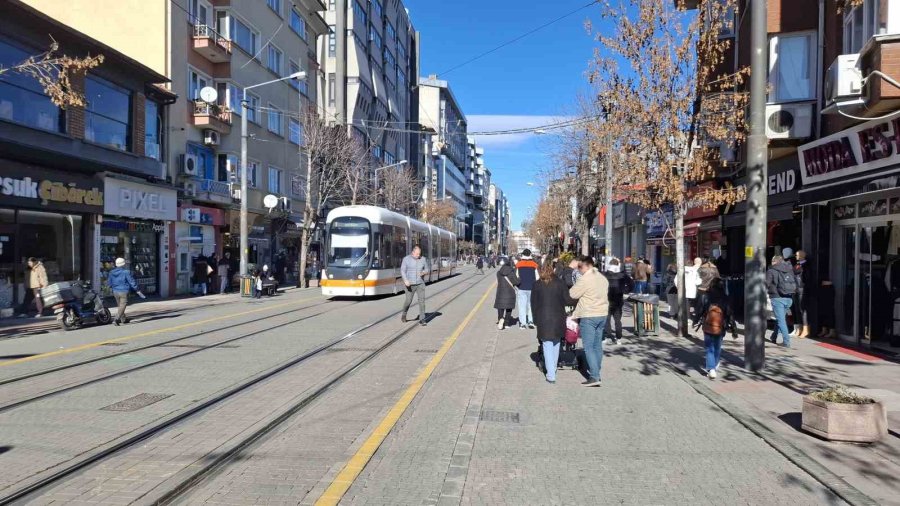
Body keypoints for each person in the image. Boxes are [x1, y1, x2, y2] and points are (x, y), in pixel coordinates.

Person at [531, 260, 577, 383]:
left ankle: (551, 375)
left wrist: (535, 320)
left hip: (543, 319)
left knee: (547, 344)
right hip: (558, 318)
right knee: (556, 343)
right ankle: (553, 368)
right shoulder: (560, 283)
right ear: (553, 270)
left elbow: (533, 304)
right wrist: (578, 300)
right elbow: (568, 300)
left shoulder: (536, 285)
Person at [569, 255, 609, 387]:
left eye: (580, 267)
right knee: (597, 345)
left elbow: (573, 294)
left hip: (589, 315)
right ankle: (596, 370)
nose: (579, 269)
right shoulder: (602, 278)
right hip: (602, 314)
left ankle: (594, 376)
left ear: (587, 266)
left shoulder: (585, 279)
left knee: (588, 347)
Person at [694, 278, 735, 379]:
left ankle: (711, 369)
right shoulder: (725, 298)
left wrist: (695, 320)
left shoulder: (705, 296)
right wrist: (733, 327)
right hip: (721, 326)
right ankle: (714, 365)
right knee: (717, 347)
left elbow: (699, 310)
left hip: (708, 325)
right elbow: (730, 313)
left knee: (709, 348)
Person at [766, 255, 796, 348]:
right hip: (789, 297)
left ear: (774, 262)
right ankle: (773, 336)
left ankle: (786, 342)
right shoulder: (789, 269)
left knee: (781, 320)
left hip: (777, 298)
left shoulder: (771, 271)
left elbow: (766, 283)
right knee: (780, 318)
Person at [603, 258, 633, 344]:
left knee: (607, 319)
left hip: (607, 299)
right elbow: (631, 284)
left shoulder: (604, 274)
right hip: (618, 299)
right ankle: (618, 337)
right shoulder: (622, 275)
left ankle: (606, 336)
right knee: (617, 319)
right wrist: (624, 290)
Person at [108, 258, 145, 325]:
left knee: (120, 305)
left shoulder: (111, 272)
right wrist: (137, 289)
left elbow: (109, 283)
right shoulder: (126, 272)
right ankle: (116, 319)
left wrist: (111, 288)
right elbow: (131, 282)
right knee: (123, 305)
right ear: (123, 264)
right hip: (124, 291)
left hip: (115, 291)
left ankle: (123, 319)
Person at [401, 245, 429, 326]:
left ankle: (422, 318)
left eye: (419, 254)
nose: (418, 256)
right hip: (410, 284)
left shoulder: (423, 259)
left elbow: (427, 269)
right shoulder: (406, 259)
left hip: (420, 283)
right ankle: (404, 314)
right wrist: (405, 280)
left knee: (422, 301)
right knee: (408, 301)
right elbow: (403, 270)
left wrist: (423, 272)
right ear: (413, 252)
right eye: (417, 254)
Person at [515, 249, 539, 329]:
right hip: (532, 288)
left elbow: (517, 277)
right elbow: (537, 277)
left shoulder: (518, 264)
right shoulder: (534, 265)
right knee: (531, 305)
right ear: (530, 255)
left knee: (522, 306)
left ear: (523, 255)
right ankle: (531, 321)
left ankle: (522, 323)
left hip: (521, 288)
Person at [494, 258, 519, 330]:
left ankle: (500, 319)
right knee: (509, 308)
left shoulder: (498, 273)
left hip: (500, 292)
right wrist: (519, 278)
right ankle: (507, 323)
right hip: (510, 292)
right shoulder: (511, 272)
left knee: (500, 307)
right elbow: (516, 282)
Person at [793, 250, 811, 338]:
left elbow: (807, 278)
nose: (795, 256)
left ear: (801, 256)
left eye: (797, 255)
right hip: (796, 289)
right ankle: (799, 327)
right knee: (797, 309)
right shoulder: (797, 265)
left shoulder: (806, 266)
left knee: (802, 309)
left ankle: (805, 328)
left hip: (802, 289)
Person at [686, 258, 703, 324]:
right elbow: (698, 282)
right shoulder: (696, 270)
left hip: (685, 290)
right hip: (694, 290)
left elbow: (676, 280)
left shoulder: (683, 270)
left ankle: (687, 317)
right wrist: (701, 281)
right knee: (697, 304)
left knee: (687, 304)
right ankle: (696, 317)